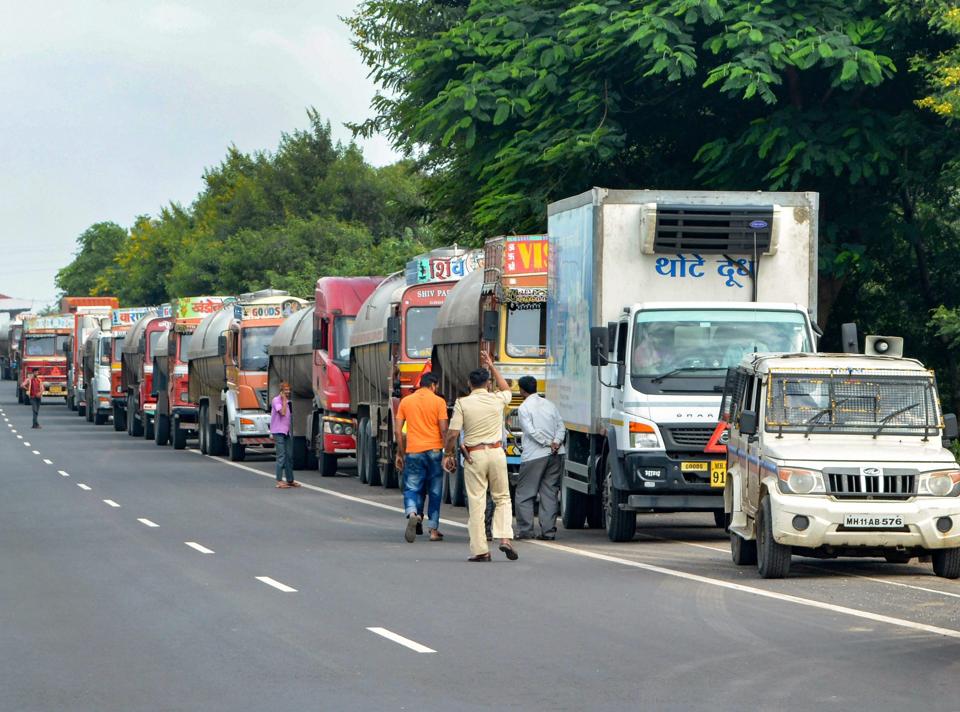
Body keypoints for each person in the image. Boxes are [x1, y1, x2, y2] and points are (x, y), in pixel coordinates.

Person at [444, 351, 518, 562]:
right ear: (487, 384)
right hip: (496, 453)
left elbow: (453, 433)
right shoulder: (497, 399)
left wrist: (448, 453)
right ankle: (504, 538)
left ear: (469, 384)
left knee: (477, 503)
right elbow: (506, 388)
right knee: (502, 497)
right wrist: (492, 366)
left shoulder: (462, 404)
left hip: (473, 456)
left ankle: (481, 550)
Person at [395, 372, 449, 543]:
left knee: (412, 487)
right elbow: (444, 430)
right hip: (434, 450)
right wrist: (448, 453)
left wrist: (400, 452)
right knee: (434, 491)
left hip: (413, 451)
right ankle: (433, 530)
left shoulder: (406, 401)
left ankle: (412, 513)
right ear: (433, 385)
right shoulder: (439, 402)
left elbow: (398, 431)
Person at [515, 376, 565, 540]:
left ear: (521, 390)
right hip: (556, 454)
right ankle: (548, 532)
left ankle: (526, 530)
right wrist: (556, 442)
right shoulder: (550, 405)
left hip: (534, 455)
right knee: (550, 493)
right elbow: (561, 427)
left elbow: (530, 431)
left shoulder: (523, 408)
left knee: (524, 494)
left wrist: (546, 443)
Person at [270, 382, 301, 489]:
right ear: (281, 390)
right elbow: (282, 413)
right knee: (281, 456)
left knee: (289, 456)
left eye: (289, 390)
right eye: (286, 390)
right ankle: (279, 480)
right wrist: (283, 401)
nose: (288, 392)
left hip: (286, 431)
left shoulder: (288, 402)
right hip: (278, 432)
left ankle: (290, 480)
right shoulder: (276, 400)